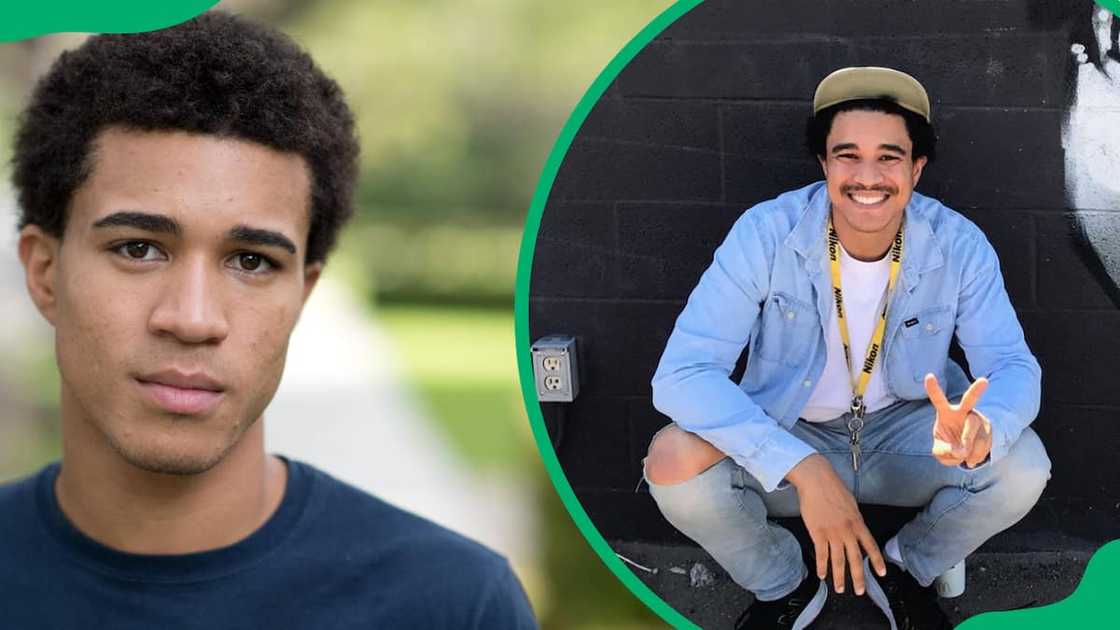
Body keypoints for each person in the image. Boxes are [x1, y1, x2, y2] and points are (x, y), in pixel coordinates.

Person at [1, 12, 536, 629]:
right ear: (44, 273)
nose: (193, 319)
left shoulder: (454, 606)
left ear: (302, 296)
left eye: (251, 261)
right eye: (139, 248)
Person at [645, 67, 1050, 630]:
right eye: (846, 155)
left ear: (917, 167)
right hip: (790, 431)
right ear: (823, 164)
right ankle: (784, 586)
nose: (867, 176)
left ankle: (904, 570)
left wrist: (985, 426)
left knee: (1022, 466)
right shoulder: (767, 232)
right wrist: (803, 467)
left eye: (889, 157)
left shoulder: (958, 244)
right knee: (672, 461)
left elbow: (1012, 366)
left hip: (908, 437)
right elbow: (682, 374)